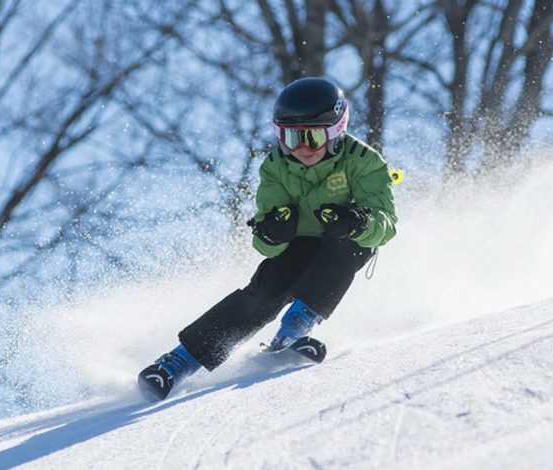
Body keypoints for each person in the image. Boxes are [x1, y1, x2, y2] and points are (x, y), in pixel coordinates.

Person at [138, 77, 397, 400]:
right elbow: (265, 244)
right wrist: (273, 232)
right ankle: (179, 362)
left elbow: (386, 224)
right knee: (267, 289)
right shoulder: (275, 167)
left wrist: (358, 222)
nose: (301, 149)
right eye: (290, 138)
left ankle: (295, 328)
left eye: (312, 137)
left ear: (336, 131)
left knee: (347, 248)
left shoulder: (363, 160)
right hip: (299, 244)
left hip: (345, 240)